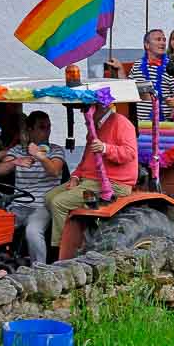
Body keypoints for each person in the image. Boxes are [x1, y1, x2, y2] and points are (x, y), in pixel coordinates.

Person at [44, 101, 137, 256]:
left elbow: (130, 153)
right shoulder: (95, 126)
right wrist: (75, 176)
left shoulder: (121, 123)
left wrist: (105, 148)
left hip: (113, 184)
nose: (82, 112)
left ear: (98, 107)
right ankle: (74, 232)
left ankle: (60, 251)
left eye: (85, 108)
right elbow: (86, 160)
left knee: (58, 202)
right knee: (49, 197)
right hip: (90, 181)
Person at [0, 110, 65, 264]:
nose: (47, 131)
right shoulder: (17, 150)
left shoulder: (56, 150)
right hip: (19, 205)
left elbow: (55, 170)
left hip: (42, 205)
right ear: (30, 130)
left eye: (48, 127)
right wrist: (14, 162)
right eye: (42, 127)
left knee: (32, 231)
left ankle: (40, 270)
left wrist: (40, 156)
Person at [128, 28, 174, 127]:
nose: (163, 43)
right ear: (147, 45)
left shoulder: (172, 66)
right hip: (141, 124)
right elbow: (129, 88)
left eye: (164, 40)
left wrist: (172, 118)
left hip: (165, 124)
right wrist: (120, 70)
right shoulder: (137, 65)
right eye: (158, 39)